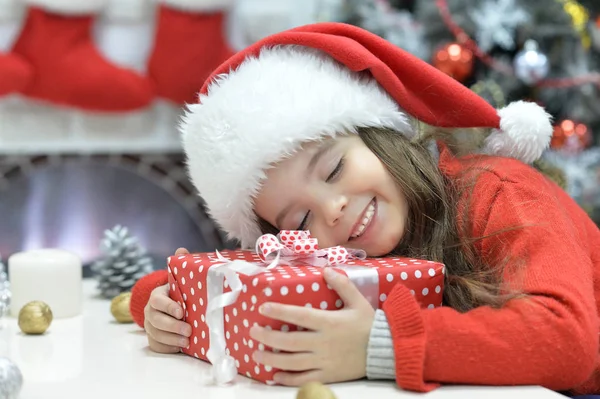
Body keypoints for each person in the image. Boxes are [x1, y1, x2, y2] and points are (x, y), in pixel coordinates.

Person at [129, 22, 600, 395]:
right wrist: (162, 305)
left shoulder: (498, 190)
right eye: (301, 220)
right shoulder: (340, 250)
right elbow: (242, 277)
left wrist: (380, 345)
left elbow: (567, 340)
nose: (331, 211)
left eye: (333, 169)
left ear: (378, 137)